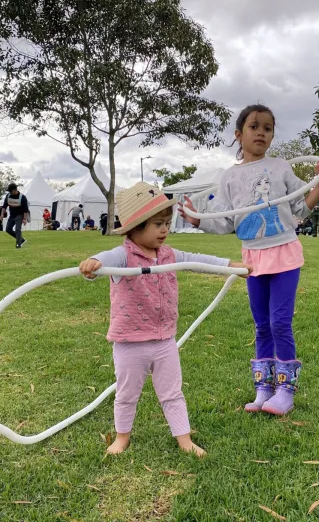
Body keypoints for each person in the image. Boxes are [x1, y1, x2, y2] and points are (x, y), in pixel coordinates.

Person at [179, 104, 319, 416]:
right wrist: (197, 220)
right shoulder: (229, 177)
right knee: (262, 324)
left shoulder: (280, 168)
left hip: (285, 253)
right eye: (254, 126)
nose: (261, 132)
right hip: (253, 258)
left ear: (272, 135)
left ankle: (285, 391)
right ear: (239, 134)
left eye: (267, 128)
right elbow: (225, 221)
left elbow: (299, 211)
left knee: (279, 321)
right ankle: (264, 386)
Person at [79, 182, 251, 456]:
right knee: (126, 394)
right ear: (136, 227)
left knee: (172, 392)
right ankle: (122, 437)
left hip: (164, 340)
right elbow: (105, 258)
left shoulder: (169, 255)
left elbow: (196, 260)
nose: (165, 229)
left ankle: (184, 440)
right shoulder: (123, 256)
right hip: (129, 342)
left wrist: (229, 266)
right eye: (158, 223)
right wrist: (93, 261)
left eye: (167, 223)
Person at [1, 183, 29, 248]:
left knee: (17, 229)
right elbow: (4, 206)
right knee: (8, 229)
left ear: (14, 190)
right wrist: (2, 214)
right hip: (12, 216)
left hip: (19, 215)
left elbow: (25, 210)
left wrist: (24, 219)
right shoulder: (8, 196)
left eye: (10, 191)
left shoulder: (22, 197)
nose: (9, 192)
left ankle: (18, 245)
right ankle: (21, 239)